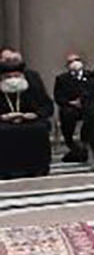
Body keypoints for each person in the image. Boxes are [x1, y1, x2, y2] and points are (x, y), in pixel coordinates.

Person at [0, 50, 54, 179]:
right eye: (8, 77)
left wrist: (35, 115)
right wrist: (3, 117)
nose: (13, 79)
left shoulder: (33, 81)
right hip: (3, 123)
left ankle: (37, 169)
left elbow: (47, 106)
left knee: (39, 129)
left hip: (30, 121)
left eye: (16, 75)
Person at [53, 54, 90, 164]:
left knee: (93, 113)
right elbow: (58, 96)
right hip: (70, 107)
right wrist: (70, 103)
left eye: (76, 60)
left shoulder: (91, 76)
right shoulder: (62, 78)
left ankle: (86, 142)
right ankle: (71, 142)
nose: (74, 63)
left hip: (87, 106)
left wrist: (83, 101)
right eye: (70, 61)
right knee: (66, 114)